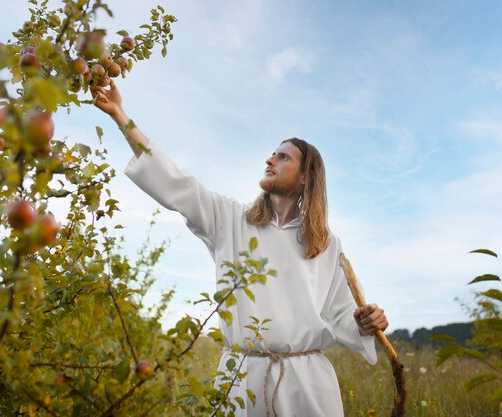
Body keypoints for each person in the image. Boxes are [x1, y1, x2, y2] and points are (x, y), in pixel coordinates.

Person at [92, 79, 389, 417]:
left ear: (306, 176)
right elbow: (177, 184)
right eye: (272, 153)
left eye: (283, 157)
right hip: (240, 379)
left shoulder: (325, 242)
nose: (270, 159)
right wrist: (120, 115)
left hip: (308, 384)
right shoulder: (232, 220)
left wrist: (365, 322)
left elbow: (342, 313)